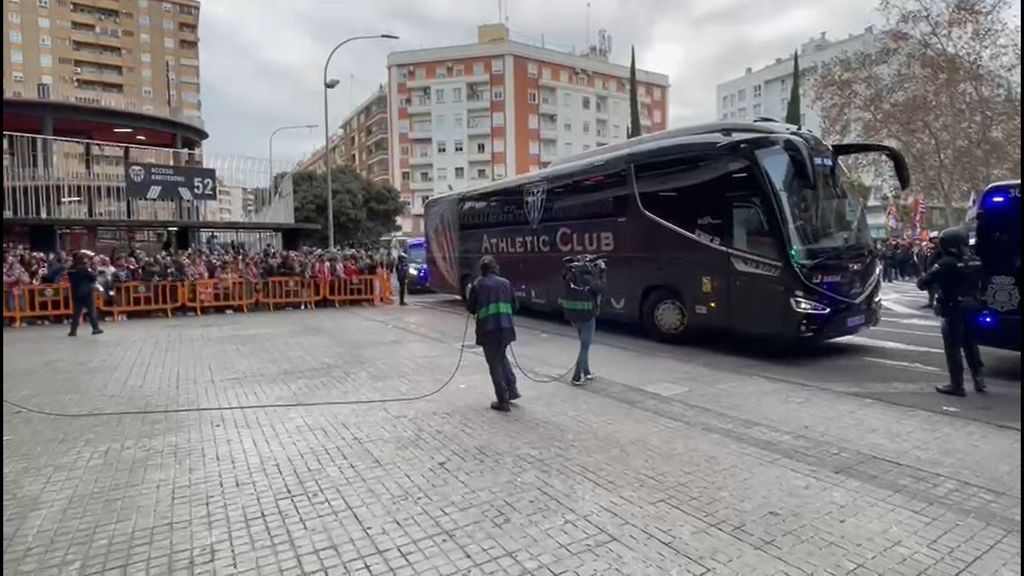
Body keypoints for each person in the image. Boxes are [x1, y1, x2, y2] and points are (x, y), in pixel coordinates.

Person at [917, 227, 984, 396]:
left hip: (952, 308)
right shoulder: (976, 260)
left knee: (953, 347)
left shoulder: (945, 263)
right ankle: (978, 378)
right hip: (973, 306)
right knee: (971, 343)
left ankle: (957, 385)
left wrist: (936, 258)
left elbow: (923, 282)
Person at [465, 255, 519, 412]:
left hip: (488, 330)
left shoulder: (478, 284)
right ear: (496, 268)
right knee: (502, 357)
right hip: (506, 328)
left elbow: (471, 308)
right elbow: (515, 306)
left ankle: (502, 400)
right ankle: (513, 390)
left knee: (494, 363)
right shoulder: (505, 283)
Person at [559, 255, 606, 385]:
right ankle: (577, 376)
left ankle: (587, 372)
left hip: (572, 317)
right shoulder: (586, 277)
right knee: (585, 347)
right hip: (587, 316)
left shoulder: (569, 276)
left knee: (583, 344)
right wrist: (602, 272)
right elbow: (600, 289)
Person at [67, 251, 103, 337]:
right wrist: (94, 270)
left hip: (75, 292)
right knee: (91, 311)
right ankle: (95, 328)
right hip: (87, 292)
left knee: (76, 312)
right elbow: (93, 277)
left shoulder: (71, 269)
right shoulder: (84, 269)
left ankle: (73, 330)